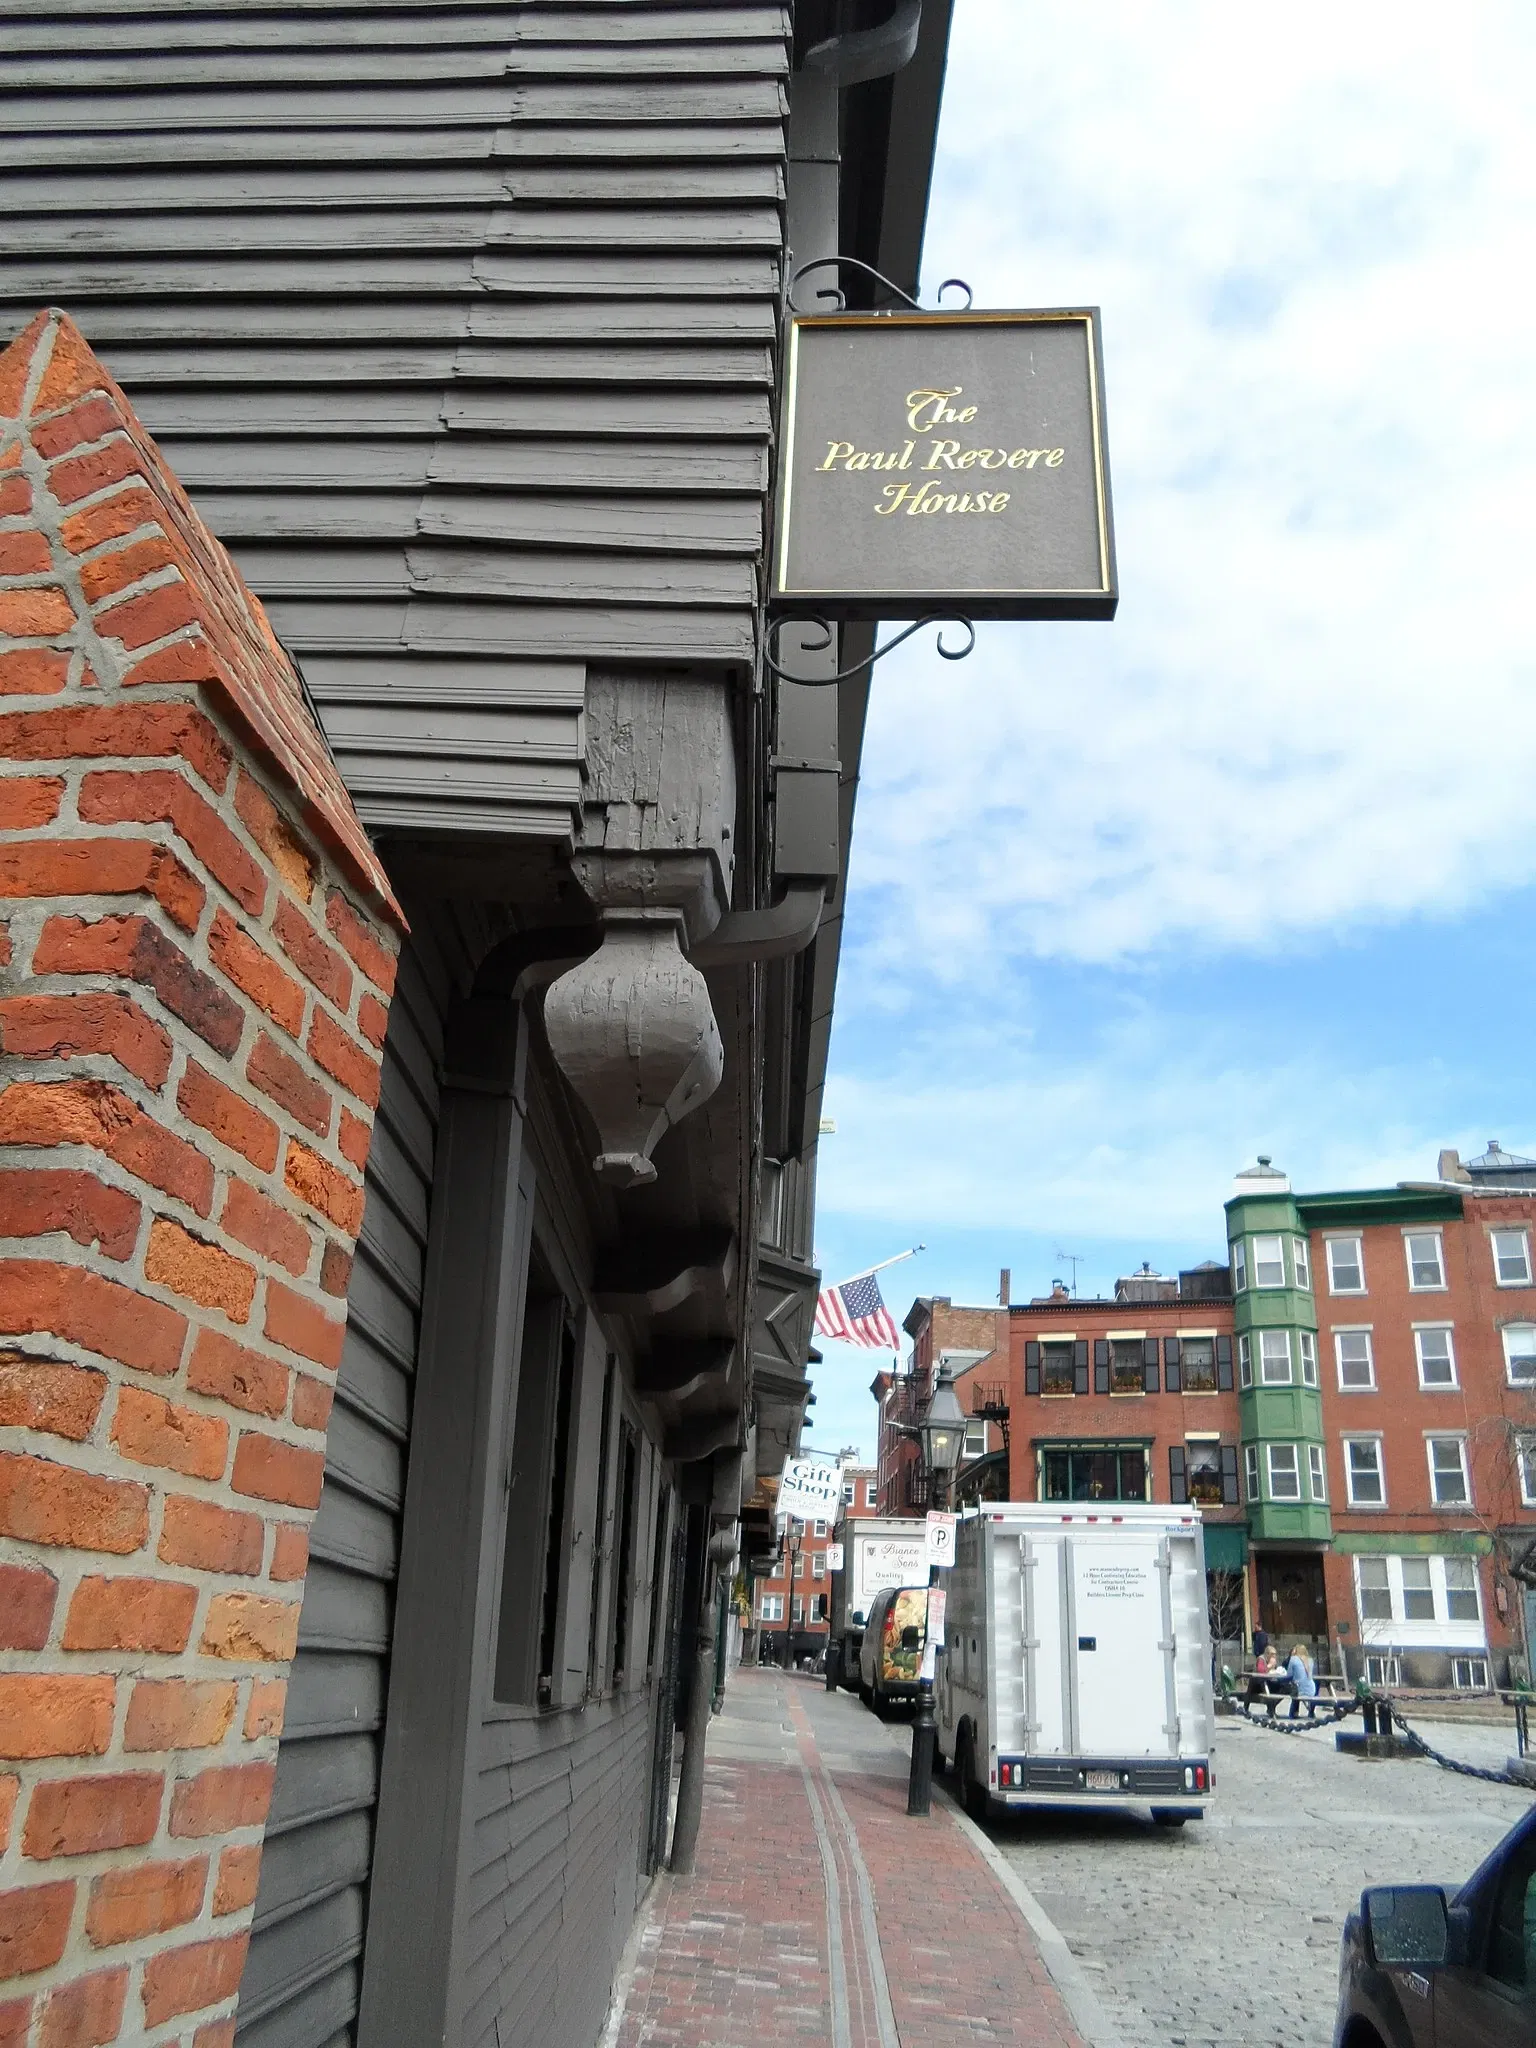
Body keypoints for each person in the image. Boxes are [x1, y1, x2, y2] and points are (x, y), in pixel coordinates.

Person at [1286, 1642, 1317, 1720]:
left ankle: (1293, 1713)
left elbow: (1289, 1675)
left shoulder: (1293, 1659)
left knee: (1294, 1686)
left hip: (1298, 1689)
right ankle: (1311, 1712)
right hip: (1311, 1689)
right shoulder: (1310, 1660)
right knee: (1298, 1685)